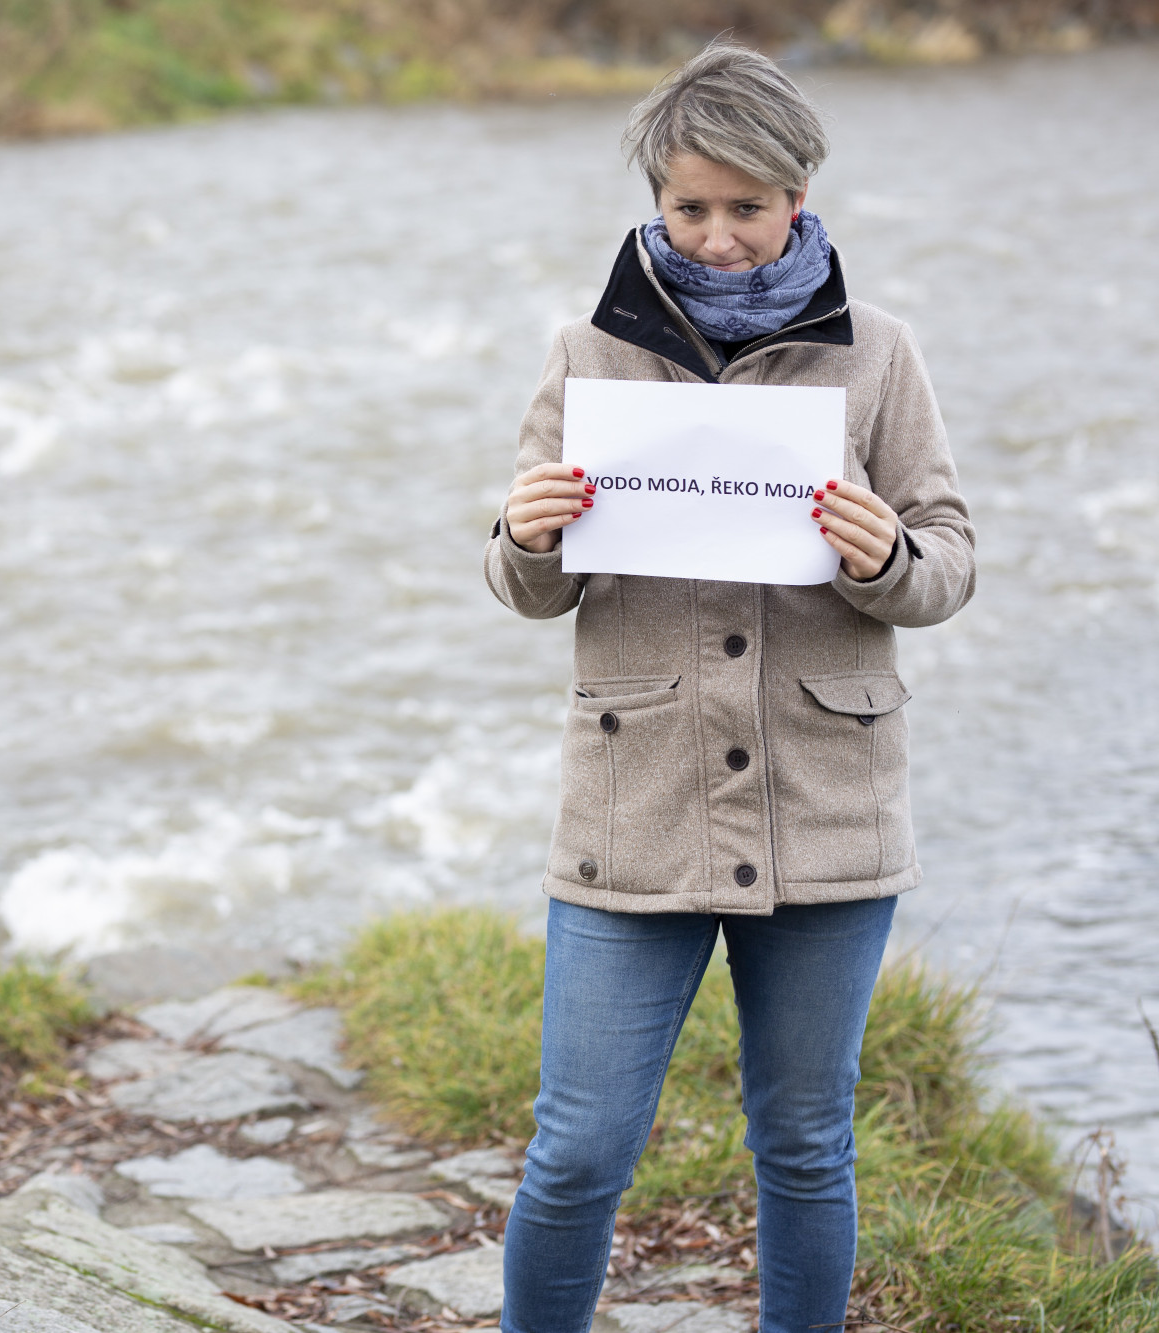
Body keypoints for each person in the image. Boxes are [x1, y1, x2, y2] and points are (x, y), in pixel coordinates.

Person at [483, 40, 974, 1333]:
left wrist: (890, 556)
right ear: (657, 198)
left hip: (830, 815)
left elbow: (951, 562)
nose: (717, 235)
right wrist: (527, 536)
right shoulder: (586, 350)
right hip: (631, 812)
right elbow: (529, 588)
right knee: (578, 1148)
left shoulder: (882, 354)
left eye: (746, 207)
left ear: (798, 198)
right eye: (689, 207)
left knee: (807, 1142)